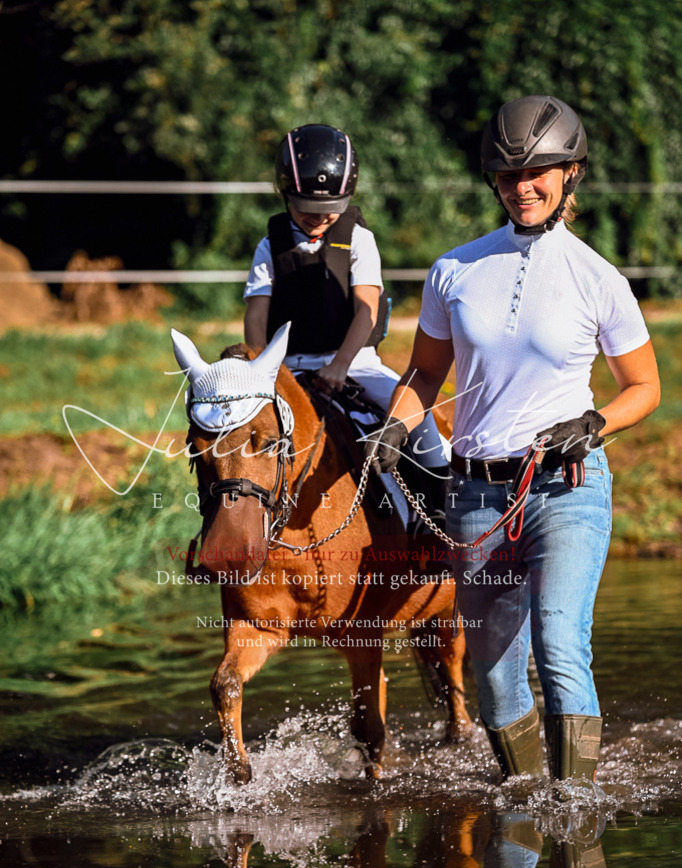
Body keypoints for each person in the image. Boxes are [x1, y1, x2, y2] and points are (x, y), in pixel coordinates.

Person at [367, 95, 660, 782]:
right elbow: (425, 375)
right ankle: (524, 806)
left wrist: (596, 424)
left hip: (567, 490)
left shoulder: (599, 279)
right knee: (496, 677)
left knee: (559, 645)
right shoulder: (455, 271)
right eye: (507, 177)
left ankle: (577, 818)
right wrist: (396, 426)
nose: (522, 188)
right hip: (475, 497)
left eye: (538, 174)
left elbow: (644, 388)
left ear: (571, 174)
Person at [243, 121, 451, 491]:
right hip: (286, 368)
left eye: (329, 210)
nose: (319, 217)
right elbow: (257, 313)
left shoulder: (359, 239)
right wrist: (262, 369)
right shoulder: (268, 245)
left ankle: (441, 493)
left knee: (416, 413)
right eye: (307, 207)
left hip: (355, 364)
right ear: (285, 193)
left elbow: (366, 310)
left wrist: (340, 365)